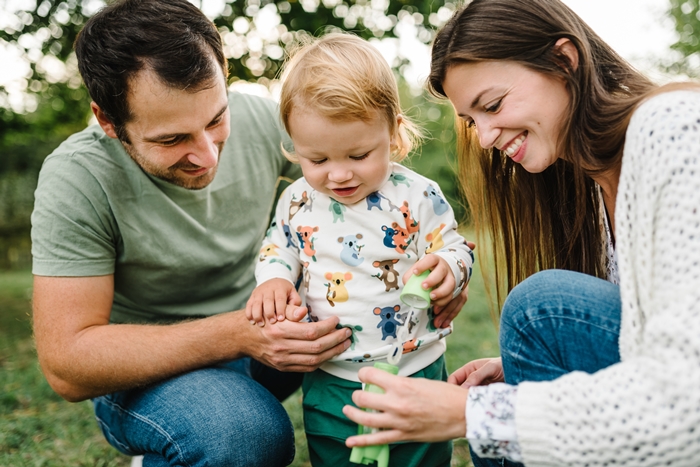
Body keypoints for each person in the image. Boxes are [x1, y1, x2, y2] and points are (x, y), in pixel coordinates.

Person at [340, 0, 700, 466]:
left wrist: (478, 414)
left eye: (492, 105)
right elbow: (647, 332)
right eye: (473, 120)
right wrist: (528, 368)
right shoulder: (589, 186)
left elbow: (687, 401)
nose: (485, 136)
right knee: (542, 323)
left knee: (542, 309)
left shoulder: (674, 130)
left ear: (563, 61)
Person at [29, 1, 356, 465]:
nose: (206, 155)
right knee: (242, 436)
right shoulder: (77, 177)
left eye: (216, 119)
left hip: (264, 344)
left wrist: (430, 256)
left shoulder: (262, 119)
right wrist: (238, 334)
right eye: (171, 140)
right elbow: (68, 363)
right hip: (146, 375)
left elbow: (362, 166)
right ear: (108, 121)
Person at [245, 33, 474, 466]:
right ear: (295, 146)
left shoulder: (418, 196)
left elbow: (456, 247)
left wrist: (449, 265)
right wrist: (274, 278)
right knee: (335, 453)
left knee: (420, 457)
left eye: (358, 154)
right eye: (317, 159)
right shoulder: (296, 200)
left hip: (414, 367)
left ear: (393, 131)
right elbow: (279, 246)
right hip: (332, 371)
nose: (339, 175)